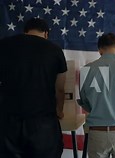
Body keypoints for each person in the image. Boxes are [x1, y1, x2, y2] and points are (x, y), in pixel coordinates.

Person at [0, 18, 67, 158]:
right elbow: (60, 88)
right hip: (42, 123)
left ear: (25, 32)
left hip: (8, 121)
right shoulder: (54, 50)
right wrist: (59, 110)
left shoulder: (4, 45)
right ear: (46, 34)